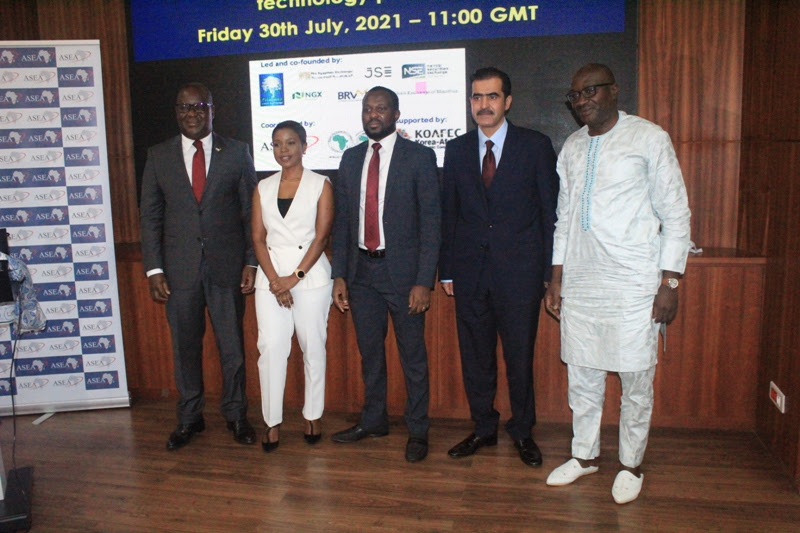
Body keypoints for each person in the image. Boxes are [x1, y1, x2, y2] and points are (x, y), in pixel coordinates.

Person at [544, 64, 691, 504]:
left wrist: (671, 283)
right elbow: (565, 219)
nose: (583, 100)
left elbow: (676, 213)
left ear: (614, 90)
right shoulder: (570, 147)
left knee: (635, 379)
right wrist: (556, 279)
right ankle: (585, 455)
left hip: (634, 282)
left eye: (590, 91)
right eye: (575, 95)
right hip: (583, 282)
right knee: (583, 378)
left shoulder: (648, 137)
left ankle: (631, 464)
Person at [440, 67, 559, 467]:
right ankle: (484, 427)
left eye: (492, 97)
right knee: (476, 357)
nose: (483, 105)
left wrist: (547, 273)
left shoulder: (535, 146)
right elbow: (449, 215)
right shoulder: (455, 150)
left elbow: (549, 213)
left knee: (519, 358)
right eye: (476, 97)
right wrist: (448, 271)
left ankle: (523, 430)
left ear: (507, 101)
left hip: (520, 276)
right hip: (470, 274)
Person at [140, 82, 258, 450]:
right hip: (179, 272)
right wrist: (154, 269)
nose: (191, 114)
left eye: (199, 107)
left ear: (212, 110)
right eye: (184, 108)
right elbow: (150, 218)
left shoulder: (237, 152)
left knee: (232, 350)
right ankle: (189, 419)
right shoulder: (158, 156)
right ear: (177, 112)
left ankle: (236, 415)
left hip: (227, 267)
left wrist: (251, 262)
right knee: (185, 348)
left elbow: (250, 212)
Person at [330, 86, 441, 463]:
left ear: (396, 114)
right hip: (361, 273)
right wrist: (340, 275)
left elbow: (432, 224)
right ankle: (373, 419)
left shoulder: (419, 157)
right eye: (367, 108)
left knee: (412, 356)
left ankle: (419, 430)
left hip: (404, 276)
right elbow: (343, 222)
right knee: (370, 355)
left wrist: (424, 281)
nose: (373, 114)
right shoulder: (349, 159)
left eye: (381, 108)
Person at [251, 120, 334, 452]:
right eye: (276, 144)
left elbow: (322, 234)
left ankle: (313, 415)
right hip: (270, 278)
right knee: (270, 349)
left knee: (312, 346)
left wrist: (294, 277)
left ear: (304, 145)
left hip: (310, 277)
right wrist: (276, 281)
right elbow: (258, 238)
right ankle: (272, 422)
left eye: (290, 143)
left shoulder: (320, 183)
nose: (283, 150)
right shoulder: (263, 187)